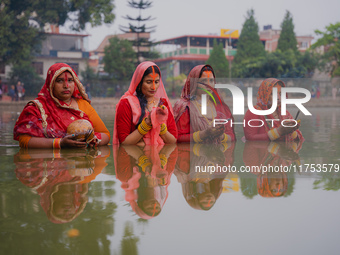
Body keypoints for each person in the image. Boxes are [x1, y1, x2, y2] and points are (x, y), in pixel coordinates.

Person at [13, 63, 110, 148]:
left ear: (75, 82)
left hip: (81, 166)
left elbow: (105, 135)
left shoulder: (83, 105)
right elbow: (24, 141)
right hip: (51, 165)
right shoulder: (37, 108)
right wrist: (59, 143)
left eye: (70, 80)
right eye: (60, 80)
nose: (66, 85)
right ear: (51, 84)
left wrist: (93, 140)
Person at [113, 61, 177, 145]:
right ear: (139, 83)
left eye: (156, 82)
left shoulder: (163, 104)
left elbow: (173, 141)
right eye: (149, 82)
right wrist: (147, 124)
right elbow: (125, 143)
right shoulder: (126, 103)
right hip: (136, 157)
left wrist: (159, 124)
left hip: (160, 156)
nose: (153, 87)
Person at [173, 65, 235, 143]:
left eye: (211, 81)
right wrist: (205, 134)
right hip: (194, 154)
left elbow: (232, 136)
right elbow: (177, 138)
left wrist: (221, 136)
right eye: (204, 81)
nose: (209, 85)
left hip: (217, 154)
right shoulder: (185, 108)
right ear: (194, 84)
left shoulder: (221, 108)